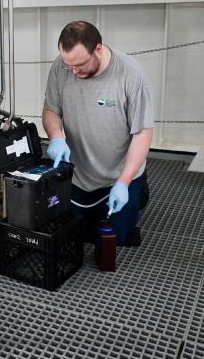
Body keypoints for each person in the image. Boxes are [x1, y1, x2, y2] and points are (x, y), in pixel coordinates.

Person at [42, 21, 153, 246]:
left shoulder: (130, 74)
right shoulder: (62, 67)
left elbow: (142, 133)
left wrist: (124, 181)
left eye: (80, 65)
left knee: (116, 237)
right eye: (68, 65)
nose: (73, 71)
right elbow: (51, 110)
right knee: (74, 233)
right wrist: (55, 136)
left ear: (98, 49)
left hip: (117, 177)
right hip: (79, 175)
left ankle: (137, 191)